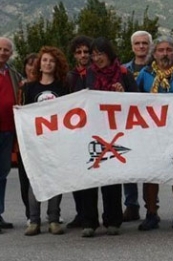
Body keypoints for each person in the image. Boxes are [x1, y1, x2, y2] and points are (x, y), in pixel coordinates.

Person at [77, 37, 138, 237]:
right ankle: (89, 222)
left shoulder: (123, 73)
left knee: (111, 176)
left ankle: (113, 220)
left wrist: (124, 93)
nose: (96, 58)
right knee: (90, 176)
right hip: (91, 130)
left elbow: (137, 99)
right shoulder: (87, 74)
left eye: (99, 53)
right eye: (93, 54)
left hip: (115, 131)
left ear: (109, 54)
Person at [136, 36, 173, 231]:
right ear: (154, 53)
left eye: (169, 50)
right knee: (151, 174)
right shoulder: (145, 74)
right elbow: (133, 101)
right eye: (161, 50)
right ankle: (151, 213)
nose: (165, 54)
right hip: (151, 133)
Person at [21, 46, 70, 236]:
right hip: (36, 142)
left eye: (51, 61)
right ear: (39, 64)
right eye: (44, 60)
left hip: (56, 141)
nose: (47, 64)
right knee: (35, 180)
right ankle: (34, 221)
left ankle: (54, 219)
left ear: (56, 64)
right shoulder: (29, 87)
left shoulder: (63, 87)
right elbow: (24, 112)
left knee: (55, 180)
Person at [121, 30, 153, 222]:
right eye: (137, 44)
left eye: (144, 43)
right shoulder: (123, 69)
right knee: (128, 164)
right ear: (132, 47)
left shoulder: (156, 69)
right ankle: (131, 205)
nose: (141, 47)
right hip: (128, 124)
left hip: (150, 126)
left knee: (150, 166)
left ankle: (151, 206)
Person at [64, 35, 93, 228]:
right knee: (76, 175)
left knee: (92, 175)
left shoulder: (97, 74)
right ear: (74, 54)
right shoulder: (69, 77)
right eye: (79, 52)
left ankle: (91, 216)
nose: (83, 55)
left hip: (94, 131)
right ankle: (80, 213)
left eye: (86, 52)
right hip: (75, 132)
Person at [0, 37, 21, 233]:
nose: (3, 52)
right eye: (0, 49)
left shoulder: (13, 74)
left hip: (8, 131)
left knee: (2, 174)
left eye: (6, 50)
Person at [15, 53, 37, 223]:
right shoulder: (20, 87)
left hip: (44, 139)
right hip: (24, 139)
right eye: (29, 65)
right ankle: (30, 213)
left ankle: (54, 212)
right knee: (25, 178)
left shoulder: (43, 86)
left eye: (35, 65)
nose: (32, 68)